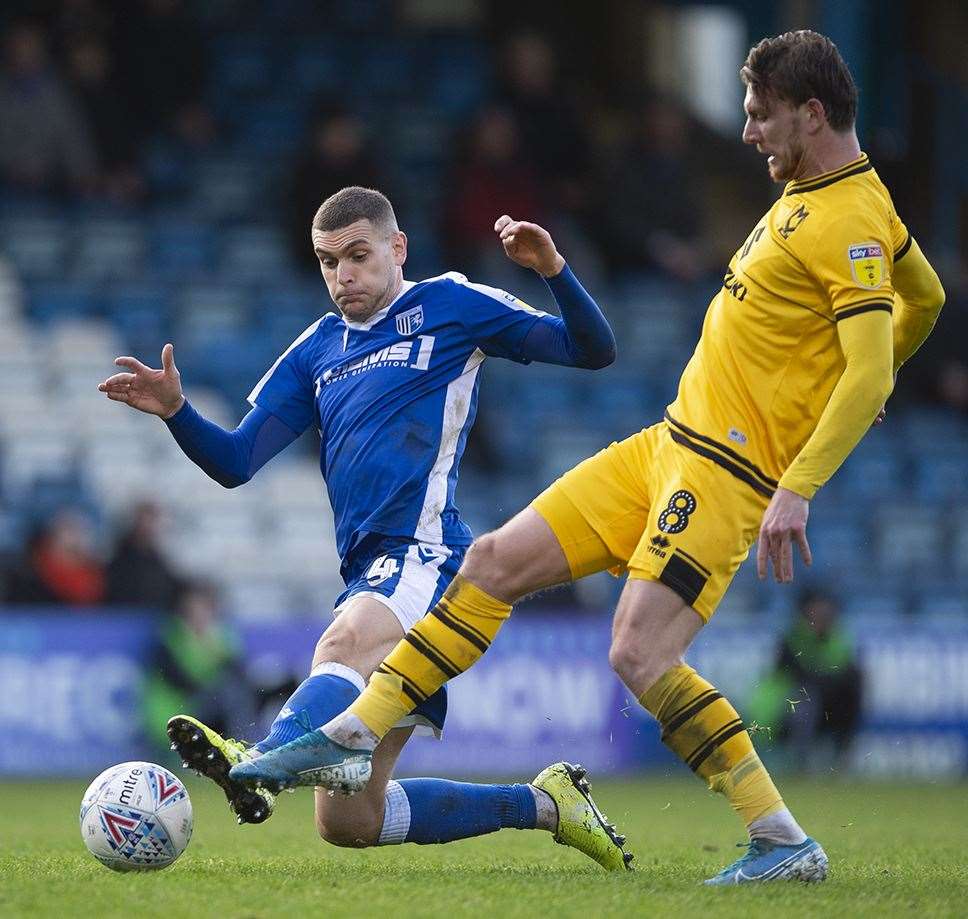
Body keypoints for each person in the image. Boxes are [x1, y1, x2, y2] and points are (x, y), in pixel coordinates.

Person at [244, 32, 946, 886]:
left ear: (813, 112)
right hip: (666, 443)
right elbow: (930, 297)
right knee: (493, 561)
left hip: (726, 470)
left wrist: (799, 479)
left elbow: (871, 363)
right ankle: (355, 732)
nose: (748, 132)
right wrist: (857, 374)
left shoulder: (848, 218)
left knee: (639, 653)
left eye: (761, 115)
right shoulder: (818, 193)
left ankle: (781, 837)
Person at [99, 187, 630, 868]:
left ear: (396, 248)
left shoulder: (450, 304)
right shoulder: (316, 350)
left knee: (342, 642)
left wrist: (554, 271)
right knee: (351, 821)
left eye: (357, 255)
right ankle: (548, 802)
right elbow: (235, 461)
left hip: (427, 555)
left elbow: (593, 351)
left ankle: (256, 755)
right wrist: (178, 411)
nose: (342, 275)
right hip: (369, 571)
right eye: (327, 261)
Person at [748, 587, 863, 771]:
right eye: (817, 608)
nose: (823, 613)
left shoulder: (838, 638)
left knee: (850, 689)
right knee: (805, 696)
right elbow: (799, 675)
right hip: (783, 709)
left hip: (825, 705)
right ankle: (799, 761)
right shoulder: (792, 639)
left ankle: (841, 757)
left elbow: (846, 673)